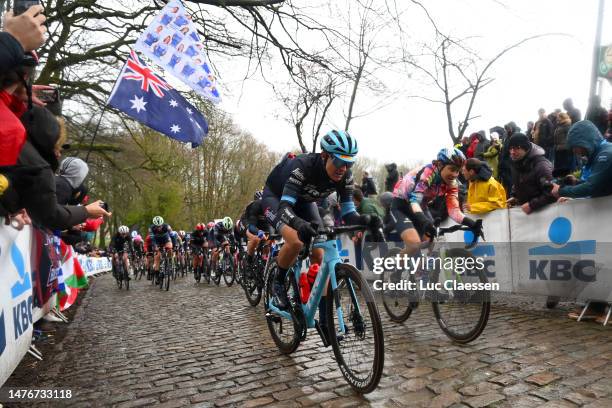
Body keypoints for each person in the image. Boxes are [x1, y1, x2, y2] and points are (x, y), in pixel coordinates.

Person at [262, 130, 379, 344]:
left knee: (319, 253)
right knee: (296, 240)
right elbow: (285, 207)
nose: (344, 168)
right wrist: (298, 224)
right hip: (276, 198)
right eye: (339, 161)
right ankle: (277, 284)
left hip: (306, 201)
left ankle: (325, 320)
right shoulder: (303, 166)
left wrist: (367, 220)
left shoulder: (345, 176)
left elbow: (348, 212)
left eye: (349, 163)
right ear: (325, 156)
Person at [391, 147, 481, 258]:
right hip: (402, 205)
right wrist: (424, 222)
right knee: (414, 245)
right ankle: (395, 272)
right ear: (439, 165)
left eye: (457, 171)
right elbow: (414, 200)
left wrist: (471, 224)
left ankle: (425, 273)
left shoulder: (452, 183)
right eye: (452, 169)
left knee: (433, 242)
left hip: (421, 206)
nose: (455, 174)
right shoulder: (427, 173)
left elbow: (453, 210)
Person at [552, 120, 612, 200]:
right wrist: (577, 182)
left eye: (575, 146)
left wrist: (561, 191)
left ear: (585, 141)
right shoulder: (600, 152)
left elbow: (591, 187)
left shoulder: (605, 156)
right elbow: (601, 185)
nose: (574, 151)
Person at [506, 133, 555, 214]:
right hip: (528, 218)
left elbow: (552, 192)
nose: (512, 152)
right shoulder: (517, 163)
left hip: (545, 216)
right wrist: (515, 197)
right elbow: (519, 183)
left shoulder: (541, 166)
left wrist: (532, 205)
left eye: (517, 148)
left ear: (526, 148)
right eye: (510, 148)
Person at [240, 191, 273, 273]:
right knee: (255, 239)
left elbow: (272, 224)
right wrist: (259, 232)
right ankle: (249, 261)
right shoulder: (254, 206)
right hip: (248, 223)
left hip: (262, 223)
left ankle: (263, 258)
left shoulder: (269, 207)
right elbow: (251, 226)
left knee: (268, 240)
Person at [149, 215, 172, 283]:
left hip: (165, 239)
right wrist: (155, 246)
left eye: (160, 226)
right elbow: (152, 239)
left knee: (170, 249)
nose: (159, 228)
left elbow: (172, 236)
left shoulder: (166, 226)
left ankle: (168, 262)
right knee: (157, 257)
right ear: (154, 225)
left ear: (162, 224)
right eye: (157, 226)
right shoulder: (151, 229)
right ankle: (157, 275)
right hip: (157, 241)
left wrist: (174, 244)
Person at [552, 112, 573, 176]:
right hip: (558, 148)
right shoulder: (560, 125)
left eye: (558, 117)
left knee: (564, 167)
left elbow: (570, 137)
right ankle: (560, 180)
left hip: (564, 149)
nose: (557, 118)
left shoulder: (567, 125)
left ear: (562, 117)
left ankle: (565, 180)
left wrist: (565, 146)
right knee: (559, 166)